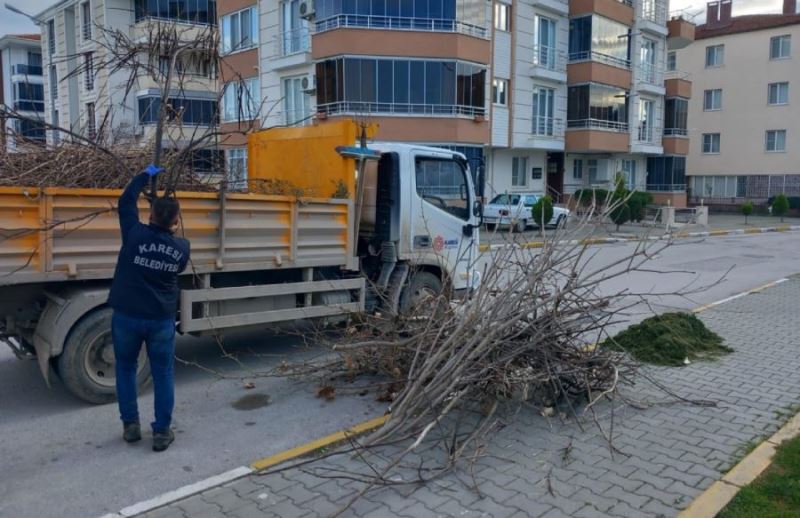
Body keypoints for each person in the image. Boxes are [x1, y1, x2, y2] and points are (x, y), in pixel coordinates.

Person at [108, 165, 190, 452]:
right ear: (176, 221)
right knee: (163, 374)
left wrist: (144, 175)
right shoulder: (182, 248)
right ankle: (161, 432)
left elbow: (125, 201)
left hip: (127, 316)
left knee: (126, 369)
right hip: (160, 320)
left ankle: (130, 427)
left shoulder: (133, 234)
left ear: (150, 215)